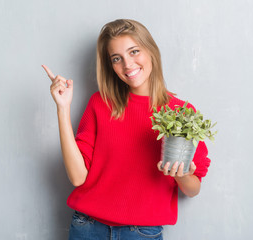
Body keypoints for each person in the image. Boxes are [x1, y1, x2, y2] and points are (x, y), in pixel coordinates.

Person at [42, 19, 211, 240]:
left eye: (134, 52)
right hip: (87, 228)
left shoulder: (181, 113)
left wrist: (184, 175)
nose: (127, 64)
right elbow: (77, 177)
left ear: (150, 51)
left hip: (142, 233)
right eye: (116, 58)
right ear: (110, 65)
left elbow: (192, 189)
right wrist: (63, 109)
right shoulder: (100, 104)